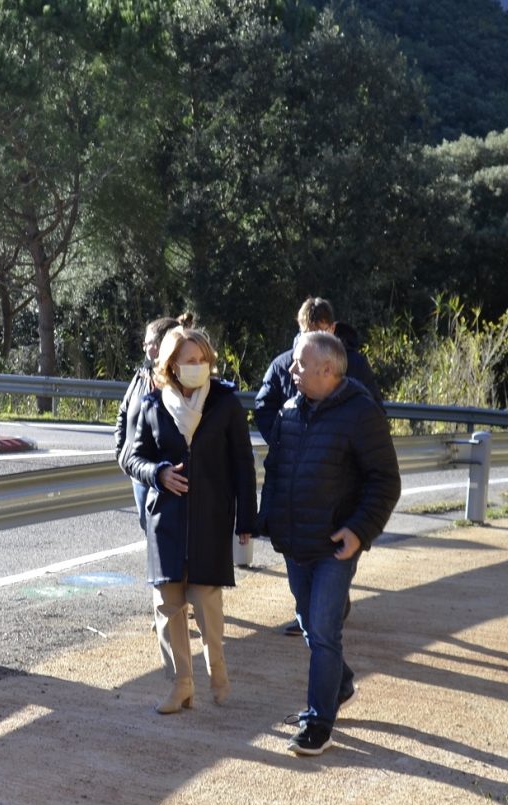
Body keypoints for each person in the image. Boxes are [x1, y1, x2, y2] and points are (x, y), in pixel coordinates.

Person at [258, 331, 400, 756]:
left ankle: (318, 721)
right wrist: (264, 523)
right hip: (295, 542)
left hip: (335, 547)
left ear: (327, 370)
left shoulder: (361, 413)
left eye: (299, 364)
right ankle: (339, 683)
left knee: (322, 628)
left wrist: (359, 530)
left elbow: (385, 481)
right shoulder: (288, 409)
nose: (291, 370)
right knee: (308, 622)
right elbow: (278, 472)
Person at [120, 316, 258, 713]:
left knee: (205, 601)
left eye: (201, 358)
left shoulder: (226, 404)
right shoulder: (150, 404)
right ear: (169, 365)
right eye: (187, 359)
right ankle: (180, 683)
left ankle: (218, 673)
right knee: (167, 604)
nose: (195, 364)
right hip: (166, 519)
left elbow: (243, 464)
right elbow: (132, 455)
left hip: (211, 519)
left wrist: (246, 520)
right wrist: (158, 473)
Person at [253, 297, 381, 447]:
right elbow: (264, 408)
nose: (314, 341)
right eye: (308, 334)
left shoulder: (355, 364)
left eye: (320, 333)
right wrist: (283, 443)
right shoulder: (281, 366)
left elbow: (374, 413)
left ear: (332, 328)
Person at [113, 315, 180, 528]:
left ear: (163, 345)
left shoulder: (182, 382)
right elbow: (123, 413)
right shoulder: (141, 375)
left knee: (164, 534)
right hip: (140, 472)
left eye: (149, 342)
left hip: (167, 475)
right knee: (147, 527)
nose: (145, 348)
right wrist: (122, 452)